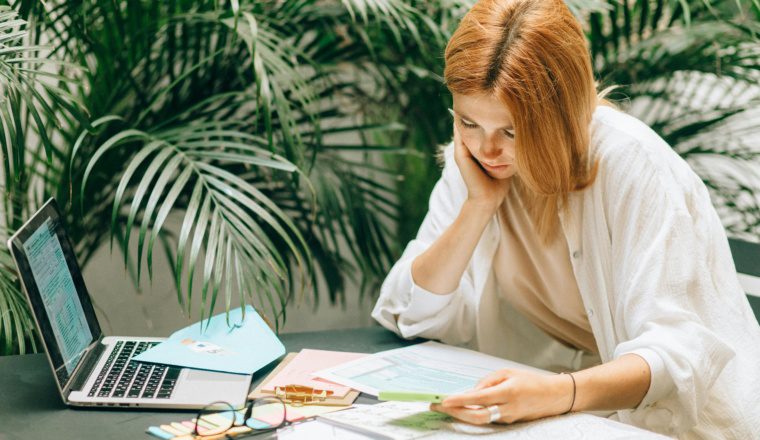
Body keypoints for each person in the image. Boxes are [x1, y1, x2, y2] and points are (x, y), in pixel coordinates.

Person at [371, 0, 760, 438]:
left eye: (512, 131)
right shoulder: (480, 165)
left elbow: (674, 357)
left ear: (560, 115)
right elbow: (413, 311)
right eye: (467, 122)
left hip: (677, 425)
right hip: (558, 412)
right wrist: (477, 207)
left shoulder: (633, 165)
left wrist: (556, 393)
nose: (486, 148)